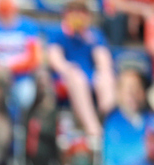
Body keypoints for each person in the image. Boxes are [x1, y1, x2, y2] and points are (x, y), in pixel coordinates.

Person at [46, 0, 114, 140]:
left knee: (106, 77)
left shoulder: (94, 35)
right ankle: (94, 130)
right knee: (77, 77)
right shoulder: (58, 34)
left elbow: (104, 61)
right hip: (67, 80)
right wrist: (69, 68)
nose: (77, 15)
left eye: (81, 12)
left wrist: (89, 40)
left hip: (91, 78)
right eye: (73, 11)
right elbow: (56, 60)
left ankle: (109, 123)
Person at [103, 66, 149, 165]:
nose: (133, 93)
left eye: (137, 88)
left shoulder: (150, 120)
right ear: (118, 92)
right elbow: (110, 164)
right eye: (128, 88)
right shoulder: (112, 122)